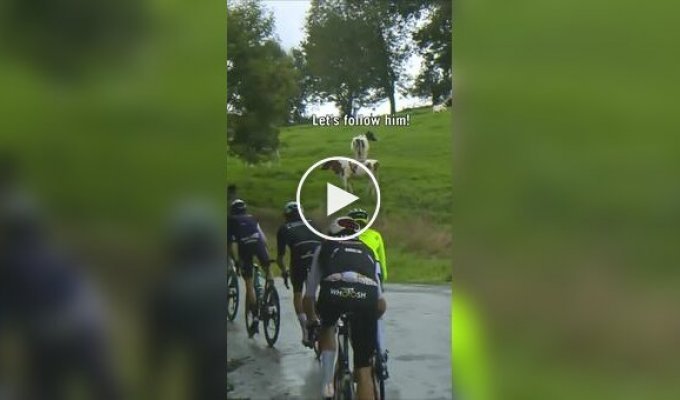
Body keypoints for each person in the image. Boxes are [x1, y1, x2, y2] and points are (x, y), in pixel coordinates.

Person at [303, 217, 386, 400]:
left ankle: (327, 384)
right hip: (366, 297)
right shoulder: (369, 251)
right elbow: (381, 304)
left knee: (327, 327)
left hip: (333, 294)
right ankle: (361, 371)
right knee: (364, 370)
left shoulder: (324, 247)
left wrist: (311, 321)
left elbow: (309, 294)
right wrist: (371, 323)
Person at [227, 199, 288, 335]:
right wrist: (264, 255)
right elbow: (264, 239)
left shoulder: (230, 220)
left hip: (245, 249)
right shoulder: (252, 218)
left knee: (249, 285)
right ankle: (271, 293)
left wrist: (236, 261)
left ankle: (255, 316)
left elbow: (229, 245)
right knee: (268, 270)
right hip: (259, 245)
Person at [275, 201, 321, 345]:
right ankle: (320, 319)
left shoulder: (283, 228)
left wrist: (284, 271)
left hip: (299, 258)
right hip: (318, 255)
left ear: (286, 215)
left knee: (298, 293)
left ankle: (305, 331)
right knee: (314, 291)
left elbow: (280, 257)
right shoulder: (312, 223)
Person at [348, 208, 389, 369]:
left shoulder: (348, 237)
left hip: (353, 275)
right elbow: (382, 263)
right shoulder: (375, 235)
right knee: (377, 316)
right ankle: (381, 351)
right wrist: (383, 280)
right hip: (375, 273)